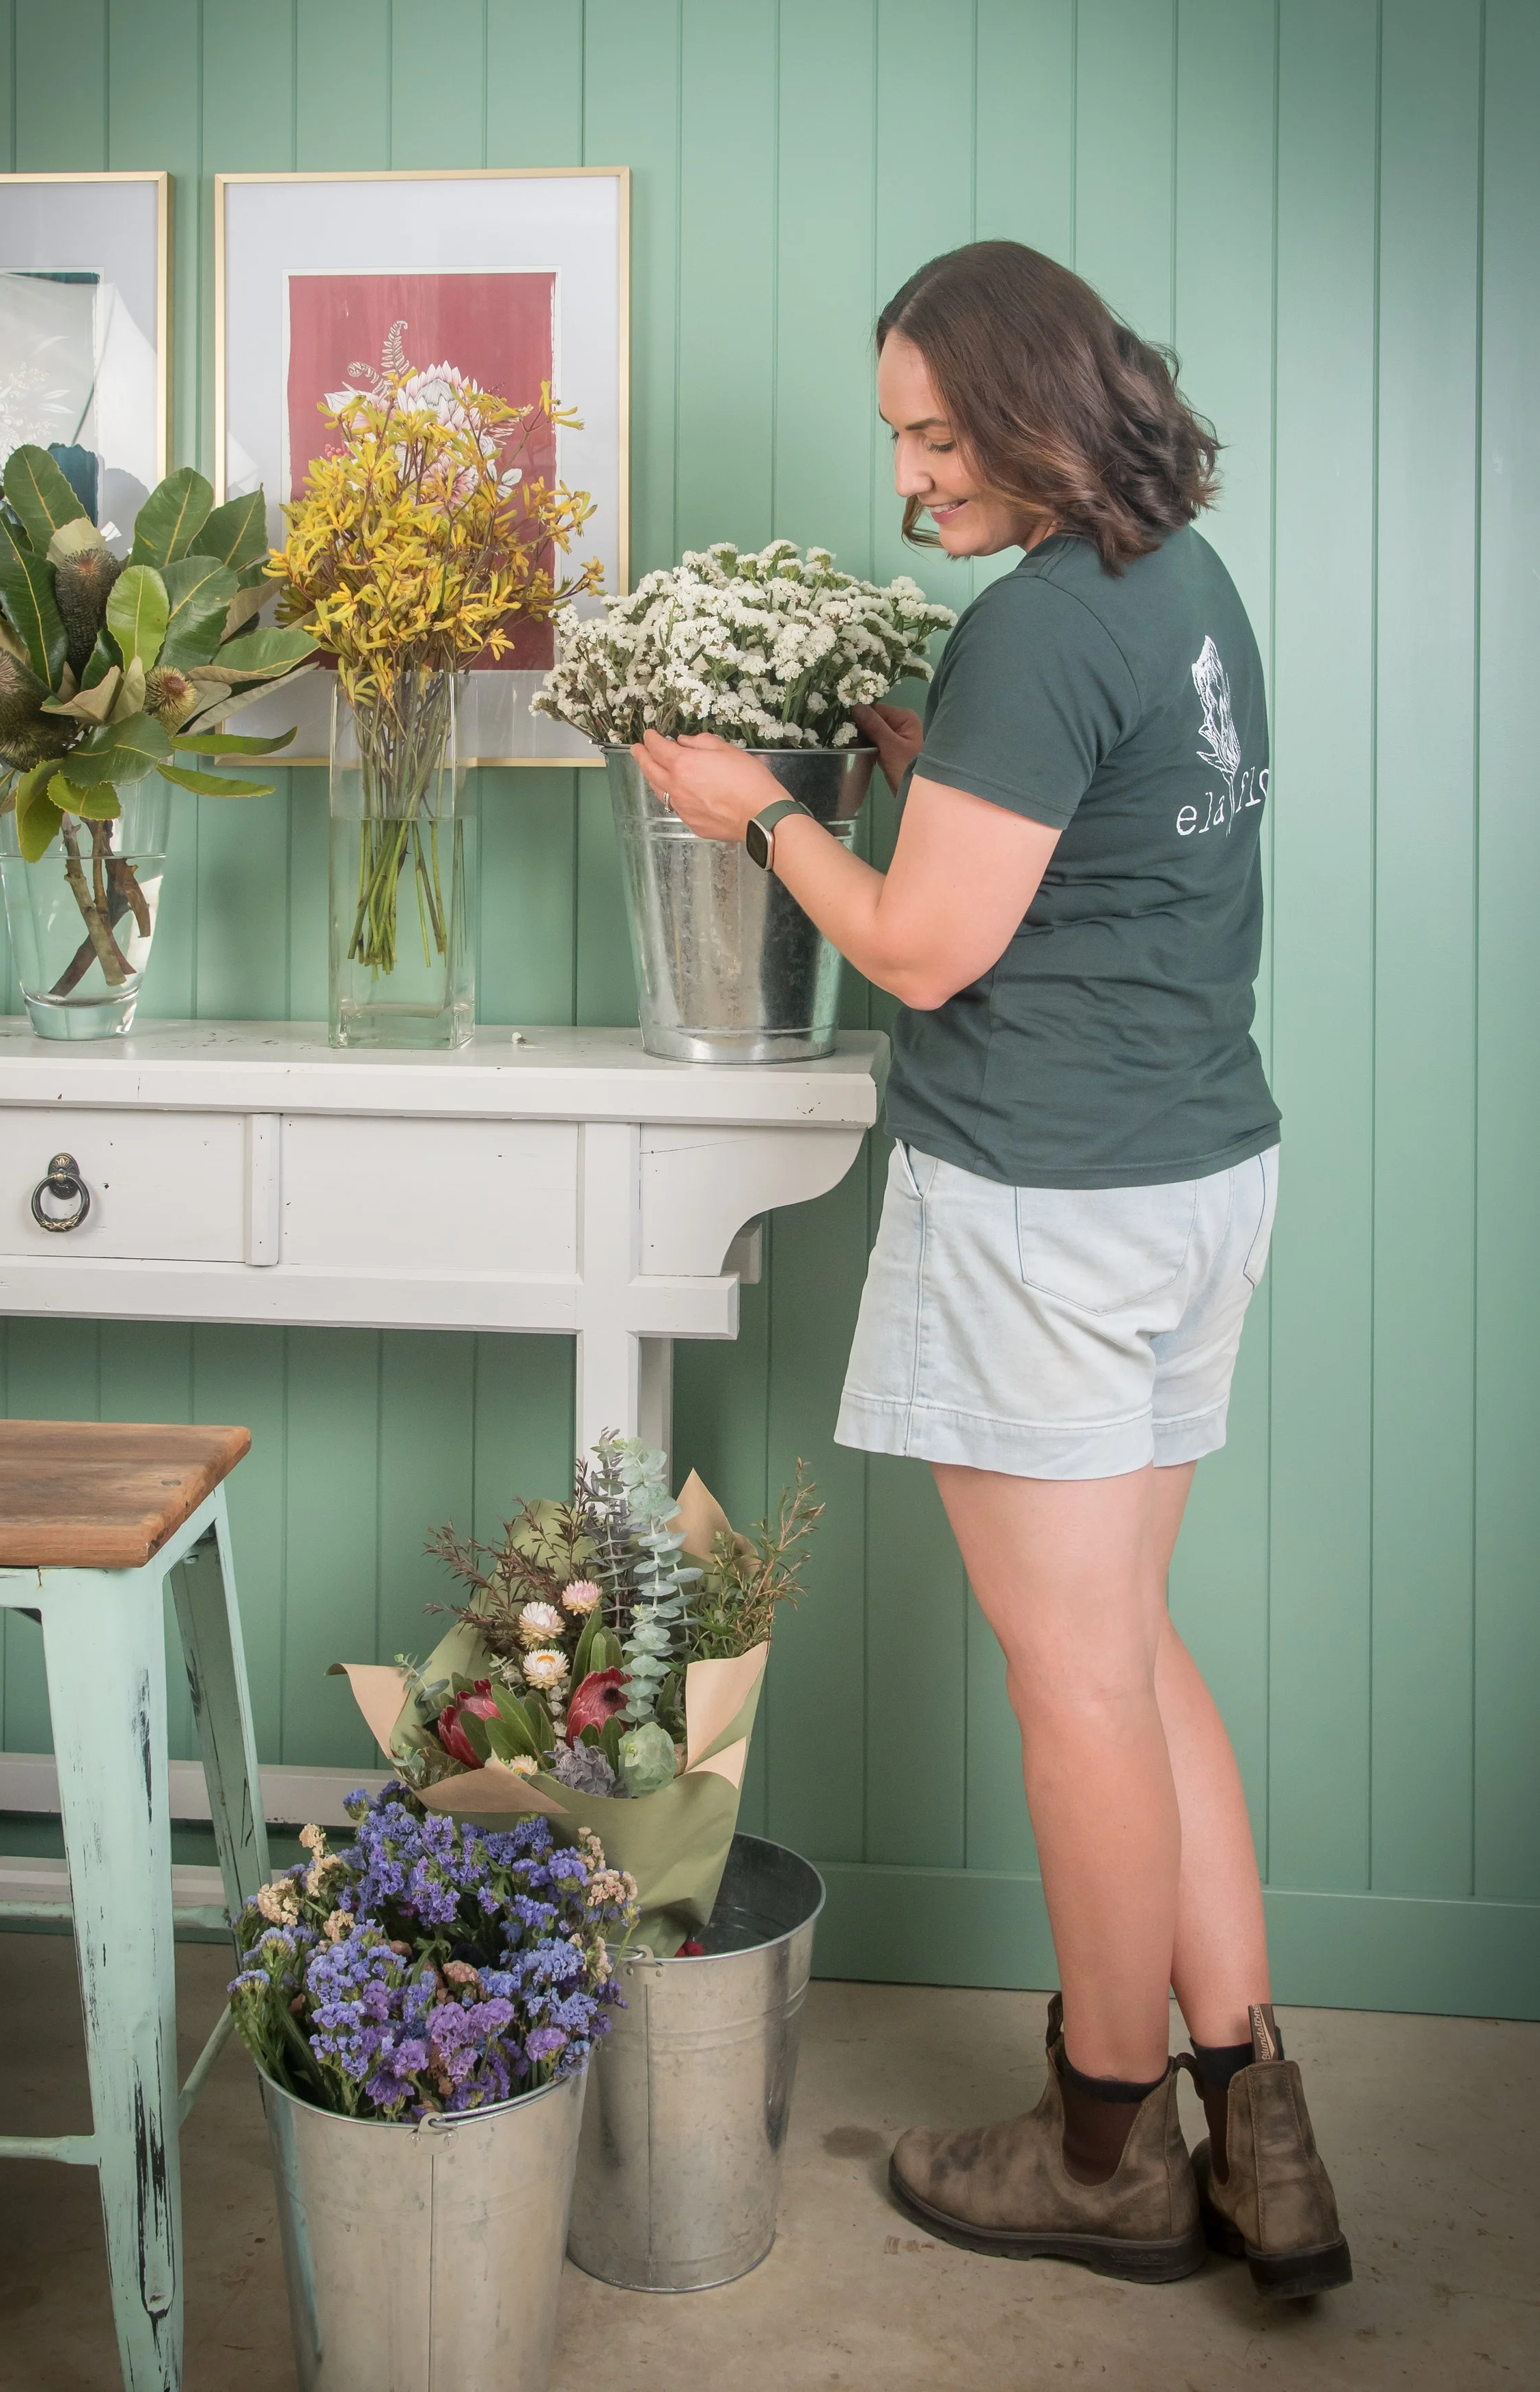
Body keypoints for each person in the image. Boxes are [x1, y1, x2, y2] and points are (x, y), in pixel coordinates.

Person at [631, 239, 1350, 2298]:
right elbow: (1084, 819)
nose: (908, 483)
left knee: (1075, 1688)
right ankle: (1261, 2133)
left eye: (936, 438)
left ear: (1037, 411)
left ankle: (1105, 2147)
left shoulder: (1037, 630)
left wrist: (755, 803)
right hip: (1197, 1172)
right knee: (1130, 1645)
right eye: (896, 438)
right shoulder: (1170, 581)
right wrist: (917, 729)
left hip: (1043, 1200)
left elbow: (926, 947)